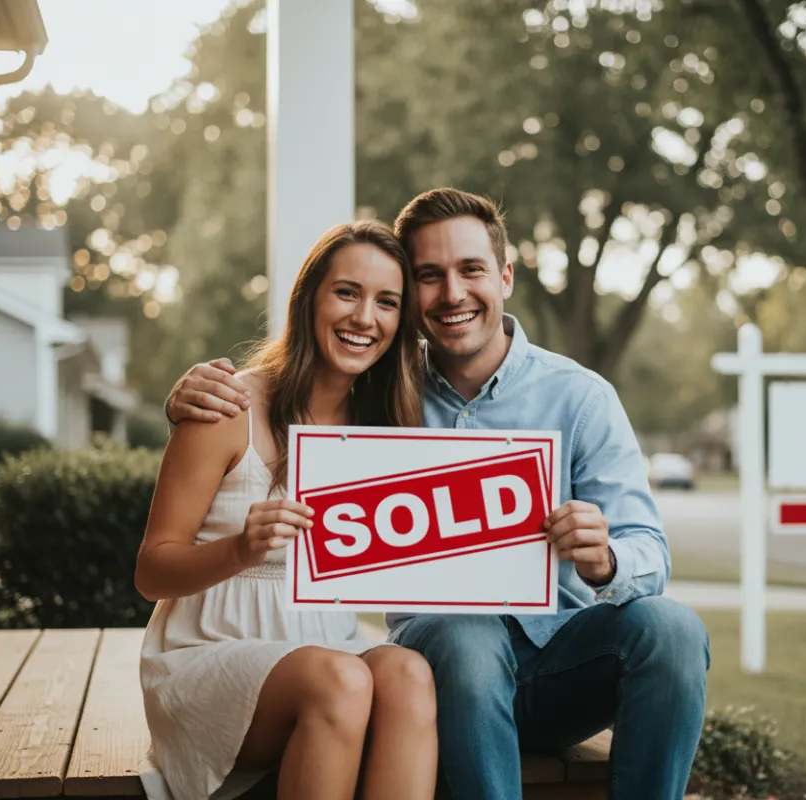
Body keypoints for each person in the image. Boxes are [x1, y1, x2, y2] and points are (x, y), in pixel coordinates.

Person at [166, 189, 710, 800]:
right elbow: (299, 385)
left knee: (675, 629)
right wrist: (193, 393)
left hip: (563, 664)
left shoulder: (581, 398)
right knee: (464, 634)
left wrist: (607, 557)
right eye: (430, 276)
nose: (452, 294)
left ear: (504, 275)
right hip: (445, 664)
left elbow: (649, 552)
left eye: (471, 269)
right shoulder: (381, 388)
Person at [136, 220, 438, 800]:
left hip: (326, 649)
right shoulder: (227, 406)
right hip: (209, 655)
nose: (364, 318)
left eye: (387, 303)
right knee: (341, 679)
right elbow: (151, 571)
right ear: (309, 300)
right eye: (347, 292)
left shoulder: (384, 431)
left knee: (408, 674)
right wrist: (238, 549)